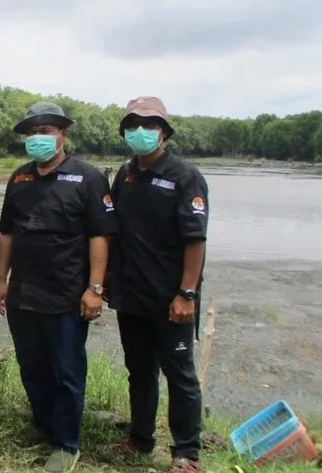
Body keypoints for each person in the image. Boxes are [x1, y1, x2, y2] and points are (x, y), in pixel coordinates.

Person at [0, 102, 118, 472]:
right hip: (23, 293)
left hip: (66, 295)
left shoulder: (88, 178)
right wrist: (1, 280)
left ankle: (66, 443)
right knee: (31, 365)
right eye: (32, 133)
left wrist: (95, 288)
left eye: (45, 131)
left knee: (66, 371)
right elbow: (6, 234)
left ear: (63, 134)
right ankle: (43, 424)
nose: (38, 138)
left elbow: (100, 236)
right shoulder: (19, 179)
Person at [102, 96, 208, 473]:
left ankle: (186, 453)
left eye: (149, 125)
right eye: (132, 125)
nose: (140, 131)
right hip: (132, 295)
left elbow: (195, 239)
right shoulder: (125, 173)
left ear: (163, 132)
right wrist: (105, 280)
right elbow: (113, 228)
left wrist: (187, 293)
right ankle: (140, 438)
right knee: (140, 371)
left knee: (180, 375)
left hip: (171, 298)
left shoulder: (185, 176)